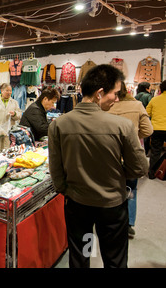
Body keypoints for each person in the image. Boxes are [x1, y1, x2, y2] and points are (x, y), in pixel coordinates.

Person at [48, 64, 148, 268]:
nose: (117, 99)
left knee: (82, 254)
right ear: (99, 93)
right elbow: (139, 168)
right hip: (111, 206)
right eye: (115, 94)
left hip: (78, 205)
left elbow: (56, 170)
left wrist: (66, 189)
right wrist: (118, 174)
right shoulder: (121, 126)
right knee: (114, 259)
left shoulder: (59, 124)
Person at [108, 81, 153, 238]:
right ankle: (129, 224)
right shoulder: (138, 105)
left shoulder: (105, 106)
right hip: (131, 155)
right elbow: (148, 130)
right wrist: (133, 138)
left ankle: (111, 222)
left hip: (110, 154)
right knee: (131, 189)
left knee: (110, 188)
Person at [0, 83, 22, 153]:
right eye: (7, 90)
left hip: (9, 132)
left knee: (8, 152)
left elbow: (19, 115)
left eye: (10, 91)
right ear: (2, 91)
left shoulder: (14, 102)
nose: (9, 93)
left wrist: (14, 114)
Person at [146, 80, 166, 179]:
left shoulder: (155, 100)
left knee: (155, 151)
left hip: (157, 129)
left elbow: (147, 114)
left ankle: (152, 173)